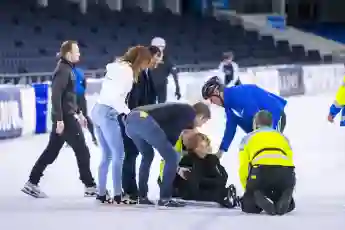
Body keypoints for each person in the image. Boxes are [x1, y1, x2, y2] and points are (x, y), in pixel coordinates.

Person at [22, 41, 97, 198]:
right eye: (77, 51)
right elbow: (56, 95)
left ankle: (32, 182)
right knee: (82, 151)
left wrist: (80, 113)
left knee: (51, 152)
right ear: (68, 53)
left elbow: (69, 97)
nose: (79, 54)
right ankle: (90, 185)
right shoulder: (63, 70)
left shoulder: (69, 69)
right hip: (66, 119)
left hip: (68, 116)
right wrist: (59, 120)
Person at [91, 46, 153, 204]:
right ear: (140, 60)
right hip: (108, 112)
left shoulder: (117, 68)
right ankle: (118, 194)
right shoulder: (127, 72)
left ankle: (101, 193)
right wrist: (127, 113)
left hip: (97, 110)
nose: (147, 66)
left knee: (107, 155)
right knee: (119, 154)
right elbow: (115, 98)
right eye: (146, 62)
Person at [124, 102, 211, 207]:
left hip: (131, 121)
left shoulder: (177, 111)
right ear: (201, 116)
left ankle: (142, 197)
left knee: (147, 156)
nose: (201, 125)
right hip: (143, 119)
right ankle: (165, 198)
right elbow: (174, 131)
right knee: (171, 157)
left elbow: (167, 129)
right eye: (204, 122)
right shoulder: (189, 112)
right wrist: (173, 152)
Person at [201, 76, 287, 158]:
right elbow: (230, 129)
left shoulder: (238, 95)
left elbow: (256, 114)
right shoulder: (229, 106)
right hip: (261, 123)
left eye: (211, 99)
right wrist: (221, 151)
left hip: (275, 115)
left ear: (217, 92)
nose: (212, 102)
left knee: (270, 150)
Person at [120, 45, 162, 204]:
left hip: (140, 119)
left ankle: (134, 190)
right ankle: (129, 190)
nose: (160, 60)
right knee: (130, 154)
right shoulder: (134, 75)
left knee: (135, 154)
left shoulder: (146, 73)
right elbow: (132, 100)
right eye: (158, 56)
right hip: (131, 119)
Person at [238, 110, 295, 215]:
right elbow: (290, 161)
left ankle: (257, 197)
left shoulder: (247, 138)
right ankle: (286, 195)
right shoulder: (283, 138)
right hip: (286, 174)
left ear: (255, 123)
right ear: (271, 124)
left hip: (261, 173)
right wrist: (289, 184)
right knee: (287, 202)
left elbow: (243, 167)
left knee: (248, 205)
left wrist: (249, 189)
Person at [172, 132, 238, 208]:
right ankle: (224, 196)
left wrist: (215, 182)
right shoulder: (188, 160)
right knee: (212, 193)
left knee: (219, 190)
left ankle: (226, 195)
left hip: (208, 187)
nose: (207, 147)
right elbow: (194, 182)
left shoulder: (212, 159)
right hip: (191, 191)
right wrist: (214, 182)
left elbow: (222, 176)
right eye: (204, 145)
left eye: (207, 144)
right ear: (195, 148)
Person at [150, 37, 181, 102]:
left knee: (159, 106)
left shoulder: (167, 60)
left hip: (160, 87)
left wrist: (177, 88)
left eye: (161, 47)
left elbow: (174, 73)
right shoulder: (146, 59)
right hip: (150, 86)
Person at [73, 67, 97, 145]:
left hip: (72, 96)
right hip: (81, 95)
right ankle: (93, 137)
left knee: (70, 117)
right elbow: (84, 82)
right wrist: (81, 90)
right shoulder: (79, 71)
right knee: (85, 116)